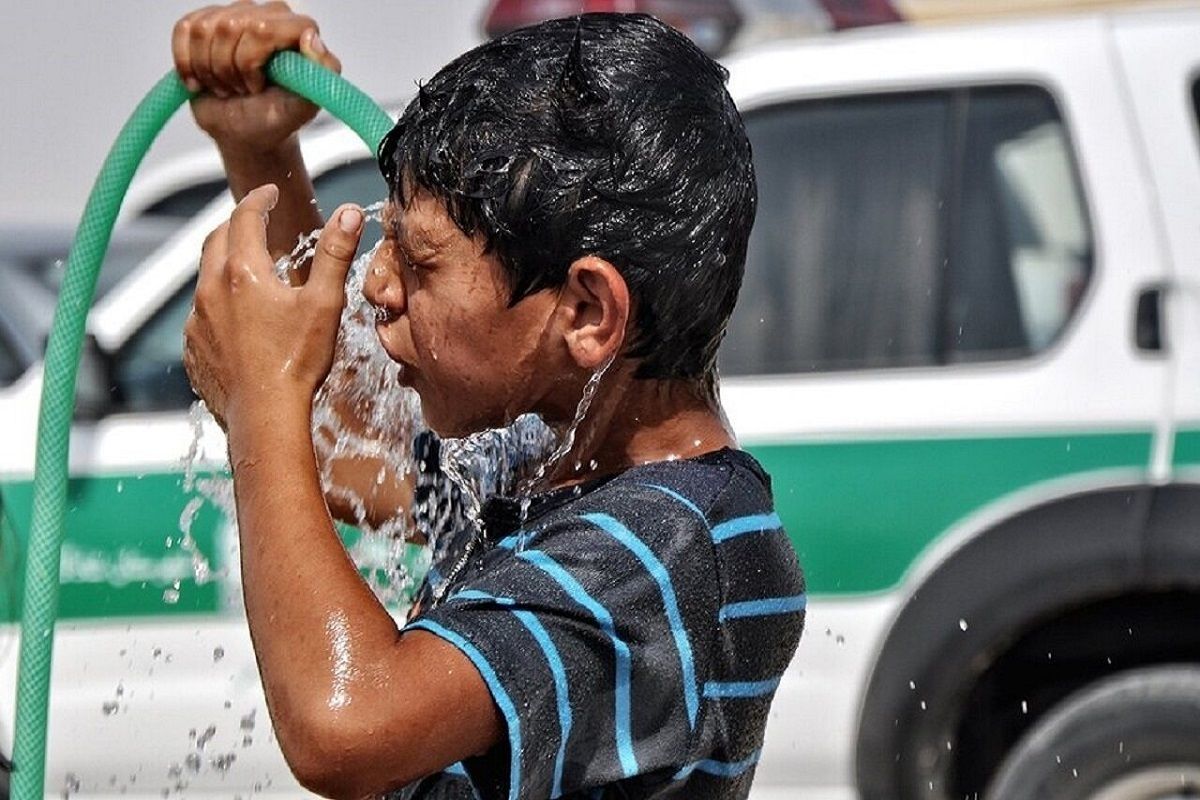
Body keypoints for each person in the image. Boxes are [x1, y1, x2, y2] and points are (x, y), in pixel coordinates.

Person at [174, 3, 805, 798]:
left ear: (586, 312)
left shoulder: (662, 548)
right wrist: (262, 151)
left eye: (420, 261)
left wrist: (262, 396)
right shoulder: (550, 467)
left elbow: (344, 725)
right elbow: (337, 453)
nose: (376, 285)